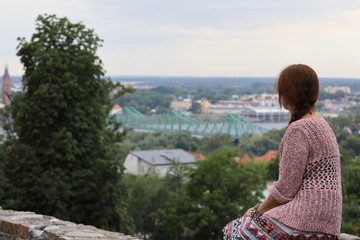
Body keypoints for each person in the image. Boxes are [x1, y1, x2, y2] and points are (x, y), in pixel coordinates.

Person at [223, 64, 342, 240]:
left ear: (286, 94)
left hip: (305, 222)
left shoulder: (299, 129)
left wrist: (256, 211)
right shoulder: (322, 124)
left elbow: (286, 188)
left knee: (232, 232)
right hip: (328, 224)